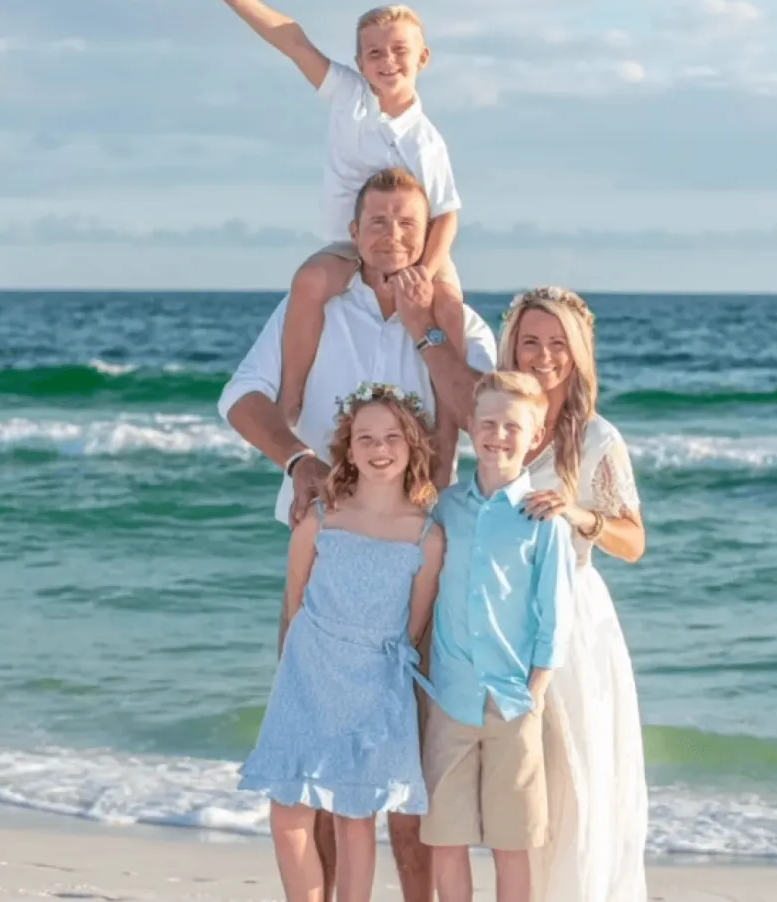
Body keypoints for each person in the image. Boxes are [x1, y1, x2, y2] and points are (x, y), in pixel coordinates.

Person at [218, 168, 496, 902]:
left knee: (404, 771)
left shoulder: (455, 316)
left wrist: (428, 331)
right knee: (316, 781)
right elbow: (240, 398)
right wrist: (300, 459)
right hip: (329, 553)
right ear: (353, 228)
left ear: (431, 230)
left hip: (416, 554)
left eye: (408, 223)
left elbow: (485, 414)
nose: (392, 236)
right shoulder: (315, 300)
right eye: (377, 222)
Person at [219, 1, 465, 483]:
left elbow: (447, 216)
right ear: (358, 62)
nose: (386, 60)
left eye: (399, 50)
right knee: (310, 279)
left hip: (419, 248)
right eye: (373, 51)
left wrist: (425, 274)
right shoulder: (347, 95)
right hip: (351, 245)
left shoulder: (425, 141)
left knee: (451, 312)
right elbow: (290, 38)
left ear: (423, 58)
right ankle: (291, 395)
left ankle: (446, 456)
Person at [239, 383, 444, 902]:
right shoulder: (322, 516)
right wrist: (291, 676)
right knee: (288, 813)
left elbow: (414, 626)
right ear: (348, 449)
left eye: (392, 437)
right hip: (307, 676)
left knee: (356, 818)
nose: (380, 449)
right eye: (366, 438)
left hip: (375, 685)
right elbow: (294, 601)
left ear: (413, 443)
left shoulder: (427, 535)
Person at [497, 287, 648, 902]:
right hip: (500, 615)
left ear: (579, 353)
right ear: (512, 345)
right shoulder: (494, 416)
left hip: (574, 623)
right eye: (530, 341)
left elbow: (633, 540)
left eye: (559, 343)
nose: (544, 355)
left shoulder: (596, 438)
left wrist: (578, 515)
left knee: (575, 783)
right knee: (518, 795)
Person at [421, 371, 576, 902]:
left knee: (513, 844)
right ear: (469, 427)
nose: (499, 435)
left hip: (514, 703)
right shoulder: (444, 509)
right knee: (446, 840)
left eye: (513, 426)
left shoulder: (544, 521)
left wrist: (534, 693)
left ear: (536, 436)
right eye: (488, 423)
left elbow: (555, 617)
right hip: (451, 699)